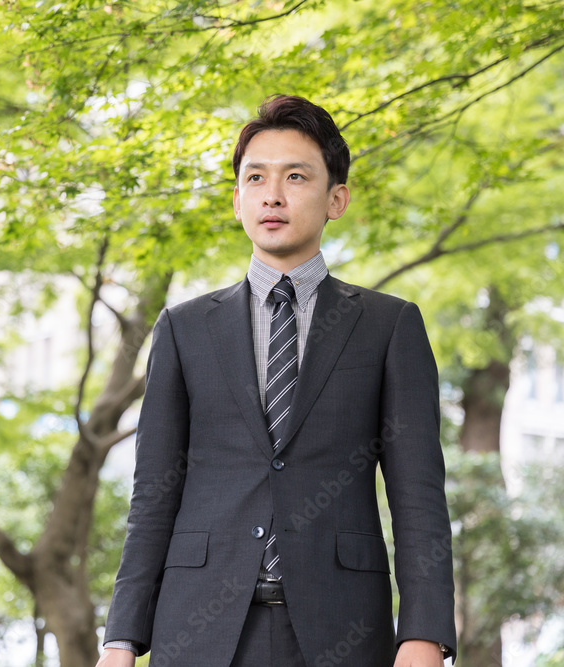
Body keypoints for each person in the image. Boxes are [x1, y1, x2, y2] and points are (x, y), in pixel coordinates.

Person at [96, 95, 456, 666]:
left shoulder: (389, 326)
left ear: (336, 198)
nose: (273, 194)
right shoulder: (184, 328)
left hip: (341, 626)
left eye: (295, 176)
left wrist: (425, 633)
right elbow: (152, 495)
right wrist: (121, 638)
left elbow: (417, 497)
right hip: (198, 629)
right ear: (237, 199)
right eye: (255, 177)